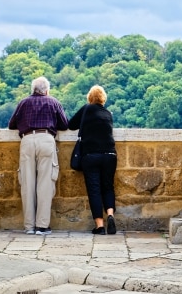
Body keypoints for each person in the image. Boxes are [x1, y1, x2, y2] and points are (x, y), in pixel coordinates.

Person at [8, 76, 69, 235]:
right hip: (46, 139)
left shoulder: (23, 103)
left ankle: (29, 226)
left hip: (27, 140)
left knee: (27, 183)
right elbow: (64, 124)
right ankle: (42, 226)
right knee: (45, 184)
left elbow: (11, 125)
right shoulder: (53, 102)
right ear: (46, 90)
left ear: (33, 89)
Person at [68, 85, 118, 235]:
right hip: (110, 155)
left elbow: (70, 125)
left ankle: (100, 226)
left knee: (94, 190)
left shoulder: (86, 109)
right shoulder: (108, 114)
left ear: (90, 98)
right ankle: (110, 214)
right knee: (108, 187)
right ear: (103, 98)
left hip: (91, 156)